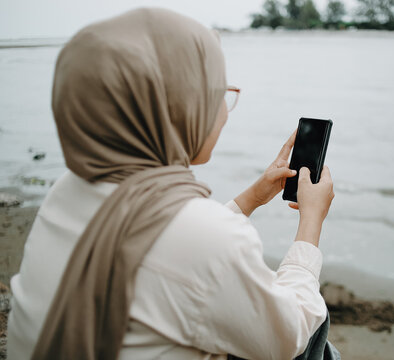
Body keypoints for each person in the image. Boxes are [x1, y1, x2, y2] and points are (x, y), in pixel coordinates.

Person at [7, 8, 338, 360]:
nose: (226, 111)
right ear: (174, 107)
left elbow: (170, 247)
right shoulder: (206, 236)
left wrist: (249, 200)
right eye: (217, 94)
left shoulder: (68, 189)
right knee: (313, 323)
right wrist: (311, 222)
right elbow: (287, 337)